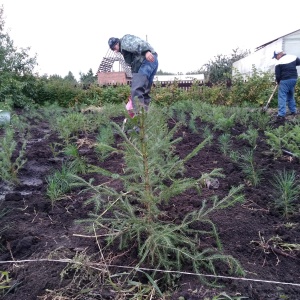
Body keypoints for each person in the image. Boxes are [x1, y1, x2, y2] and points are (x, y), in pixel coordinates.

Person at [108, 35, 158, 114]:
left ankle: (139, 122)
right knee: (144, 92)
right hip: (150, 61)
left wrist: (146, 51)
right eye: (112, 49)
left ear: (117, 43)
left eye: (114, 48)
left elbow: (137, 43)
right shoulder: (125, 51)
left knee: (136, 92)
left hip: (146, 60)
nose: (115, 51)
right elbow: (134, 66)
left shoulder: (124, 41)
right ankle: (144, 121)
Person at [272, 49, 300, 120]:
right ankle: (293, 111)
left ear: (279, 55)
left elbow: (278, 75)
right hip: (294, 79)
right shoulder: (293, 57)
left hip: (285, 80)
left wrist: (278, 82)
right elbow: (298, 62)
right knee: (290, 95)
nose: (276, 58)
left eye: (276, 57)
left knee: (282, 96)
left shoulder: (279, 62)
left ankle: (281, 114)